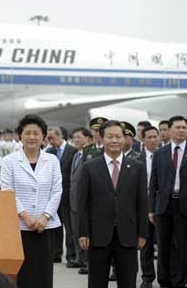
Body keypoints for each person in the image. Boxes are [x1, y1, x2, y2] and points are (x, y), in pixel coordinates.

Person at [78, 120, 148, 288]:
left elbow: (142, 202)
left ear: (124, 139)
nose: (115, 140)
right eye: (110, 136)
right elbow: (83, 203)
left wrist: (142, 233)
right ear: (102, 139)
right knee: (97, 281)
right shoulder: (90, 167)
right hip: (98, 235)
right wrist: (83, 232)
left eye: (118, 136)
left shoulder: (137, 167)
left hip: (128, 234)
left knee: (128, 280)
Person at [0, 114, 62, 288]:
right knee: (22, 273)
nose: (32, 137)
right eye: (27, 133)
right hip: (19, 226)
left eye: (36, 133)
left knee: (43, 273)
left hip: (45, 226)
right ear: (20, 136)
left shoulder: (52, 161)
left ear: (43, 136)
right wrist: (24, 215)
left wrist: (45, 216)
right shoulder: (9, 161)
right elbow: (6, 191)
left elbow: (57, 191)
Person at [149, 115, 187, 288]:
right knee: (163, 246)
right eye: (178, 127)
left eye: (184, 127)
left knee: (183, 247)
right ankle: (164, 282)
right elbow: (154, 183)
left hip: (184, 206)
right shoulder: (160, 153)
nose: (181, 130)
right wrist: (151, 209)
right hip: (164, 206)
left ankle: (180, 282)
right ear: (170, 130)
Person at [46, 127, 78, 265]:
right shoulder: (49, 152)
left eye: (52, 138)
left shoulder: (72, 151)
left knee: (69, 228)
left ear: (60, 136)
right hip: (53, 196)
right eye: (48, 138)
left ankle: (71, 255)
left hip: (67, 195)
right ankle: (56, 253)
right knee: (55, 227)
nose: (50, 141)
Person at [137, 125, 160, 288]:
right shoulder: (136, 160)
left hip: (162, 206)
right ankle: (147, 278)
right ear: (143, 140)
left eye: (155, 137)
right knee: (145, 245)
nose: (153, 140)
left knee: (167, 245)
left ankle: (169, 276)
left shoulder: (165, 155)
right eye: (149, 137)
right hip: (142, 207)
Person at [68, 127, 91, 275]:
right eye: (74, 137)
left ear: (87, 138)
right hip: (73, 199)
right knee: (76, 231)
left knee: (85, 231)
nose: (75, 140)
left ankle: (88, 262)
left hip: (84, 200)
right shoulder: (76, 155)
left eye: (78, 137)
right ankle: (79, 259)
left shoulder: (90, 155)